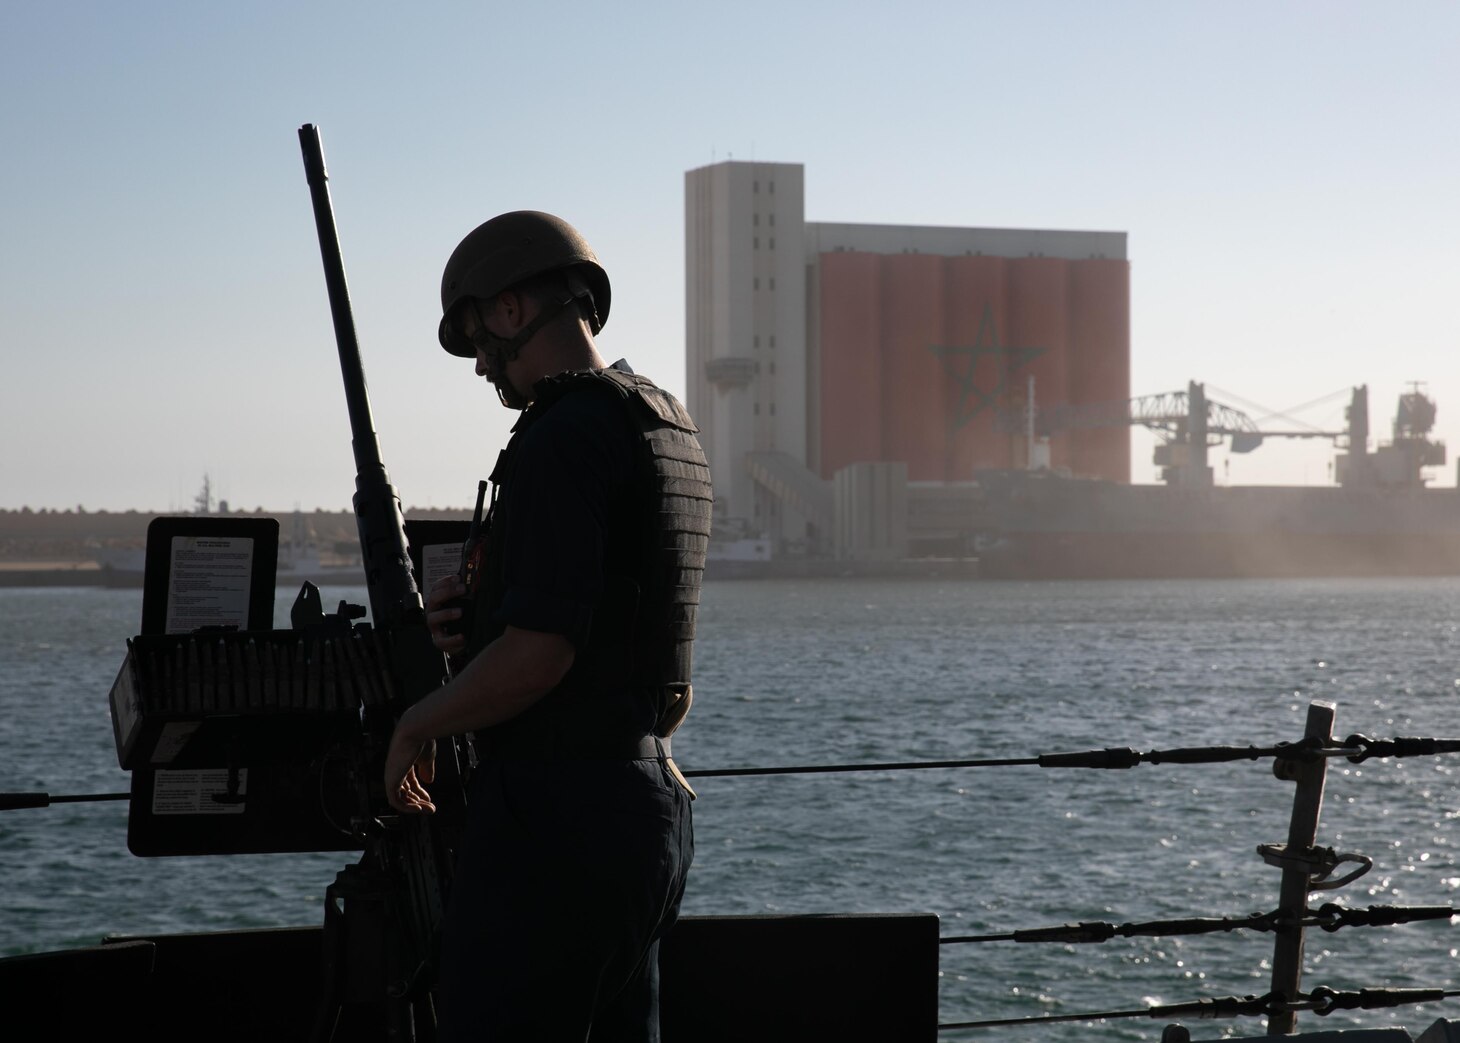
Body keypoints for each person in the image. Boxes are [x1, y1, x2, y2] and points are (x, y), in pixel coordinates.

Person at [382, 210, 712, 1041]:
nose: (481, 362)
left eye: (475, 334)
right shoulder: (662, 422)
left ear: (510, 309)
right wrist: (478, 614)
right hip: (646, 808)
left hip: (556, 819)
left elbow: (543, 653)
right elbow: (618, 620)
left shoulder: (564, 434)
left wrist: (417, 724)